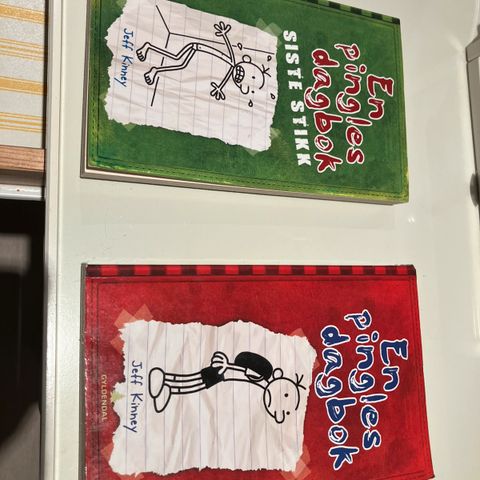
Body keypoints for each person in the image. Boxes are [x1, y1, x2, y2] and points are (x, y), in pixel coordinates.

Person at [148, 350, 306, 424]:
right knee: (194, 380)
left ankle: (170, 388)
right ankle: (166, 379)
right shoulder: (262, 377)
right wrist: (226, 365)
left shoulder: (262, 388)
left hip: (221, 380)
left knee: (196, 384)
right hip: (221, 374)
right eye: (285, 395)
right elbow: (242, 371)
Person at [136, 21, 271, 102]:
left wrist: (219, 88)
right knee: (177, 60)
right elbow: (229, 48)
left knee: (179, 62)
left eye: (250, 80)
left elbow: (225, 78)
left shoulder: (231, 67)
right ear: (247, 61)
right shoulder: (232, 61)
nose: (246, 77)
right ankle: (149, 51)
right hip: (196, 49)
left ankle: (153, 63)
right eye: (252, 76)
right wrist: (224, 34)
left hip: (197, 53)